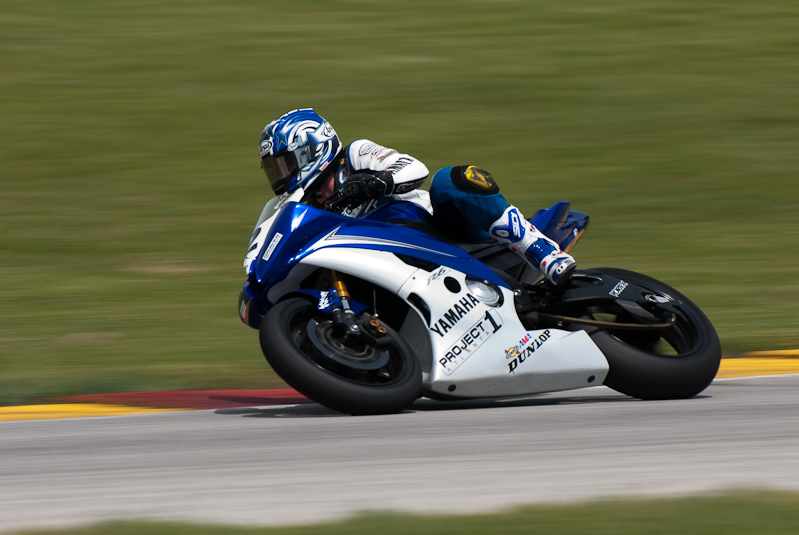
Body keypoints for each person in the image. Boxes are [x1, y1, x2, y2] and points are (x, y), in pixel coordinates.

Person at [257, 108, 576, 286]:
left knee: (449, 179)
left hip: (436, 230)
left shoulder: (355, 155)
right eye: (275, 170)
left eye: (285, 165)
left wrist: (375, 183)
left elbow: (414, 167)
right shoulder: (306, 207)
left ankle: (541, 251)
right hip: (388, 262)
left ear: (312, 149)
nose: (282, 176)